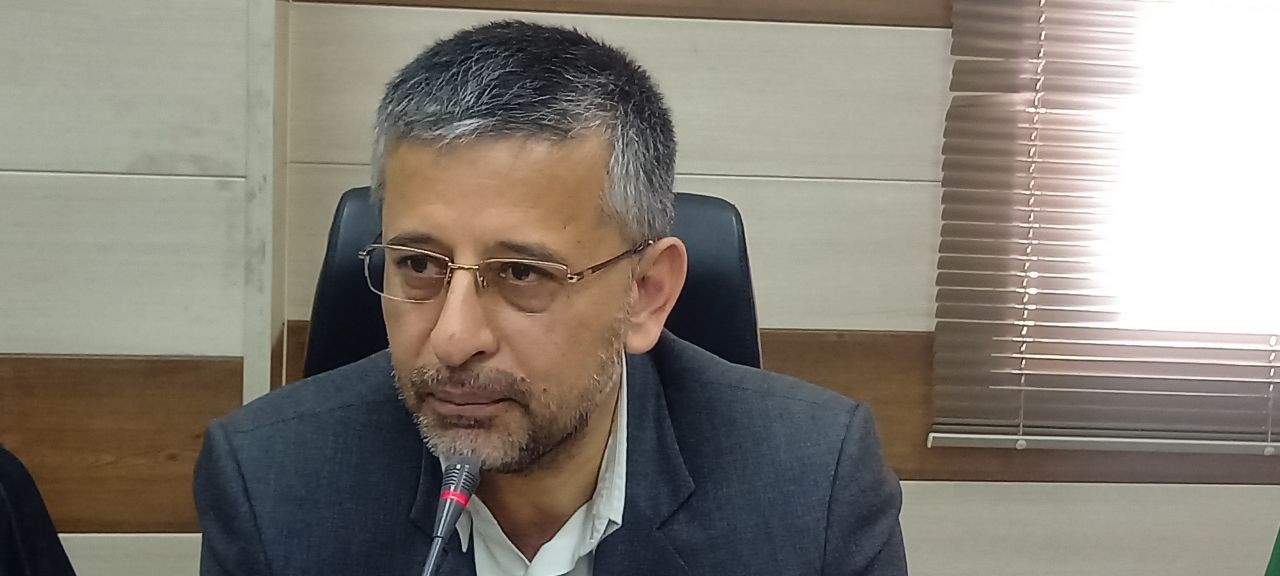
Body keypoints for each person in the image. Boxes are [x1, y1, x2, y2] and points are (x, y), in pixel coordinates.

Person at [194, 20, 907, 576]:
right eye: (419, 264)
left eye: (521, 274)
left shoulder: (814, 485)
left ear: (645, 294)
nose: (453, 339)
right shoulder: (271, 483)